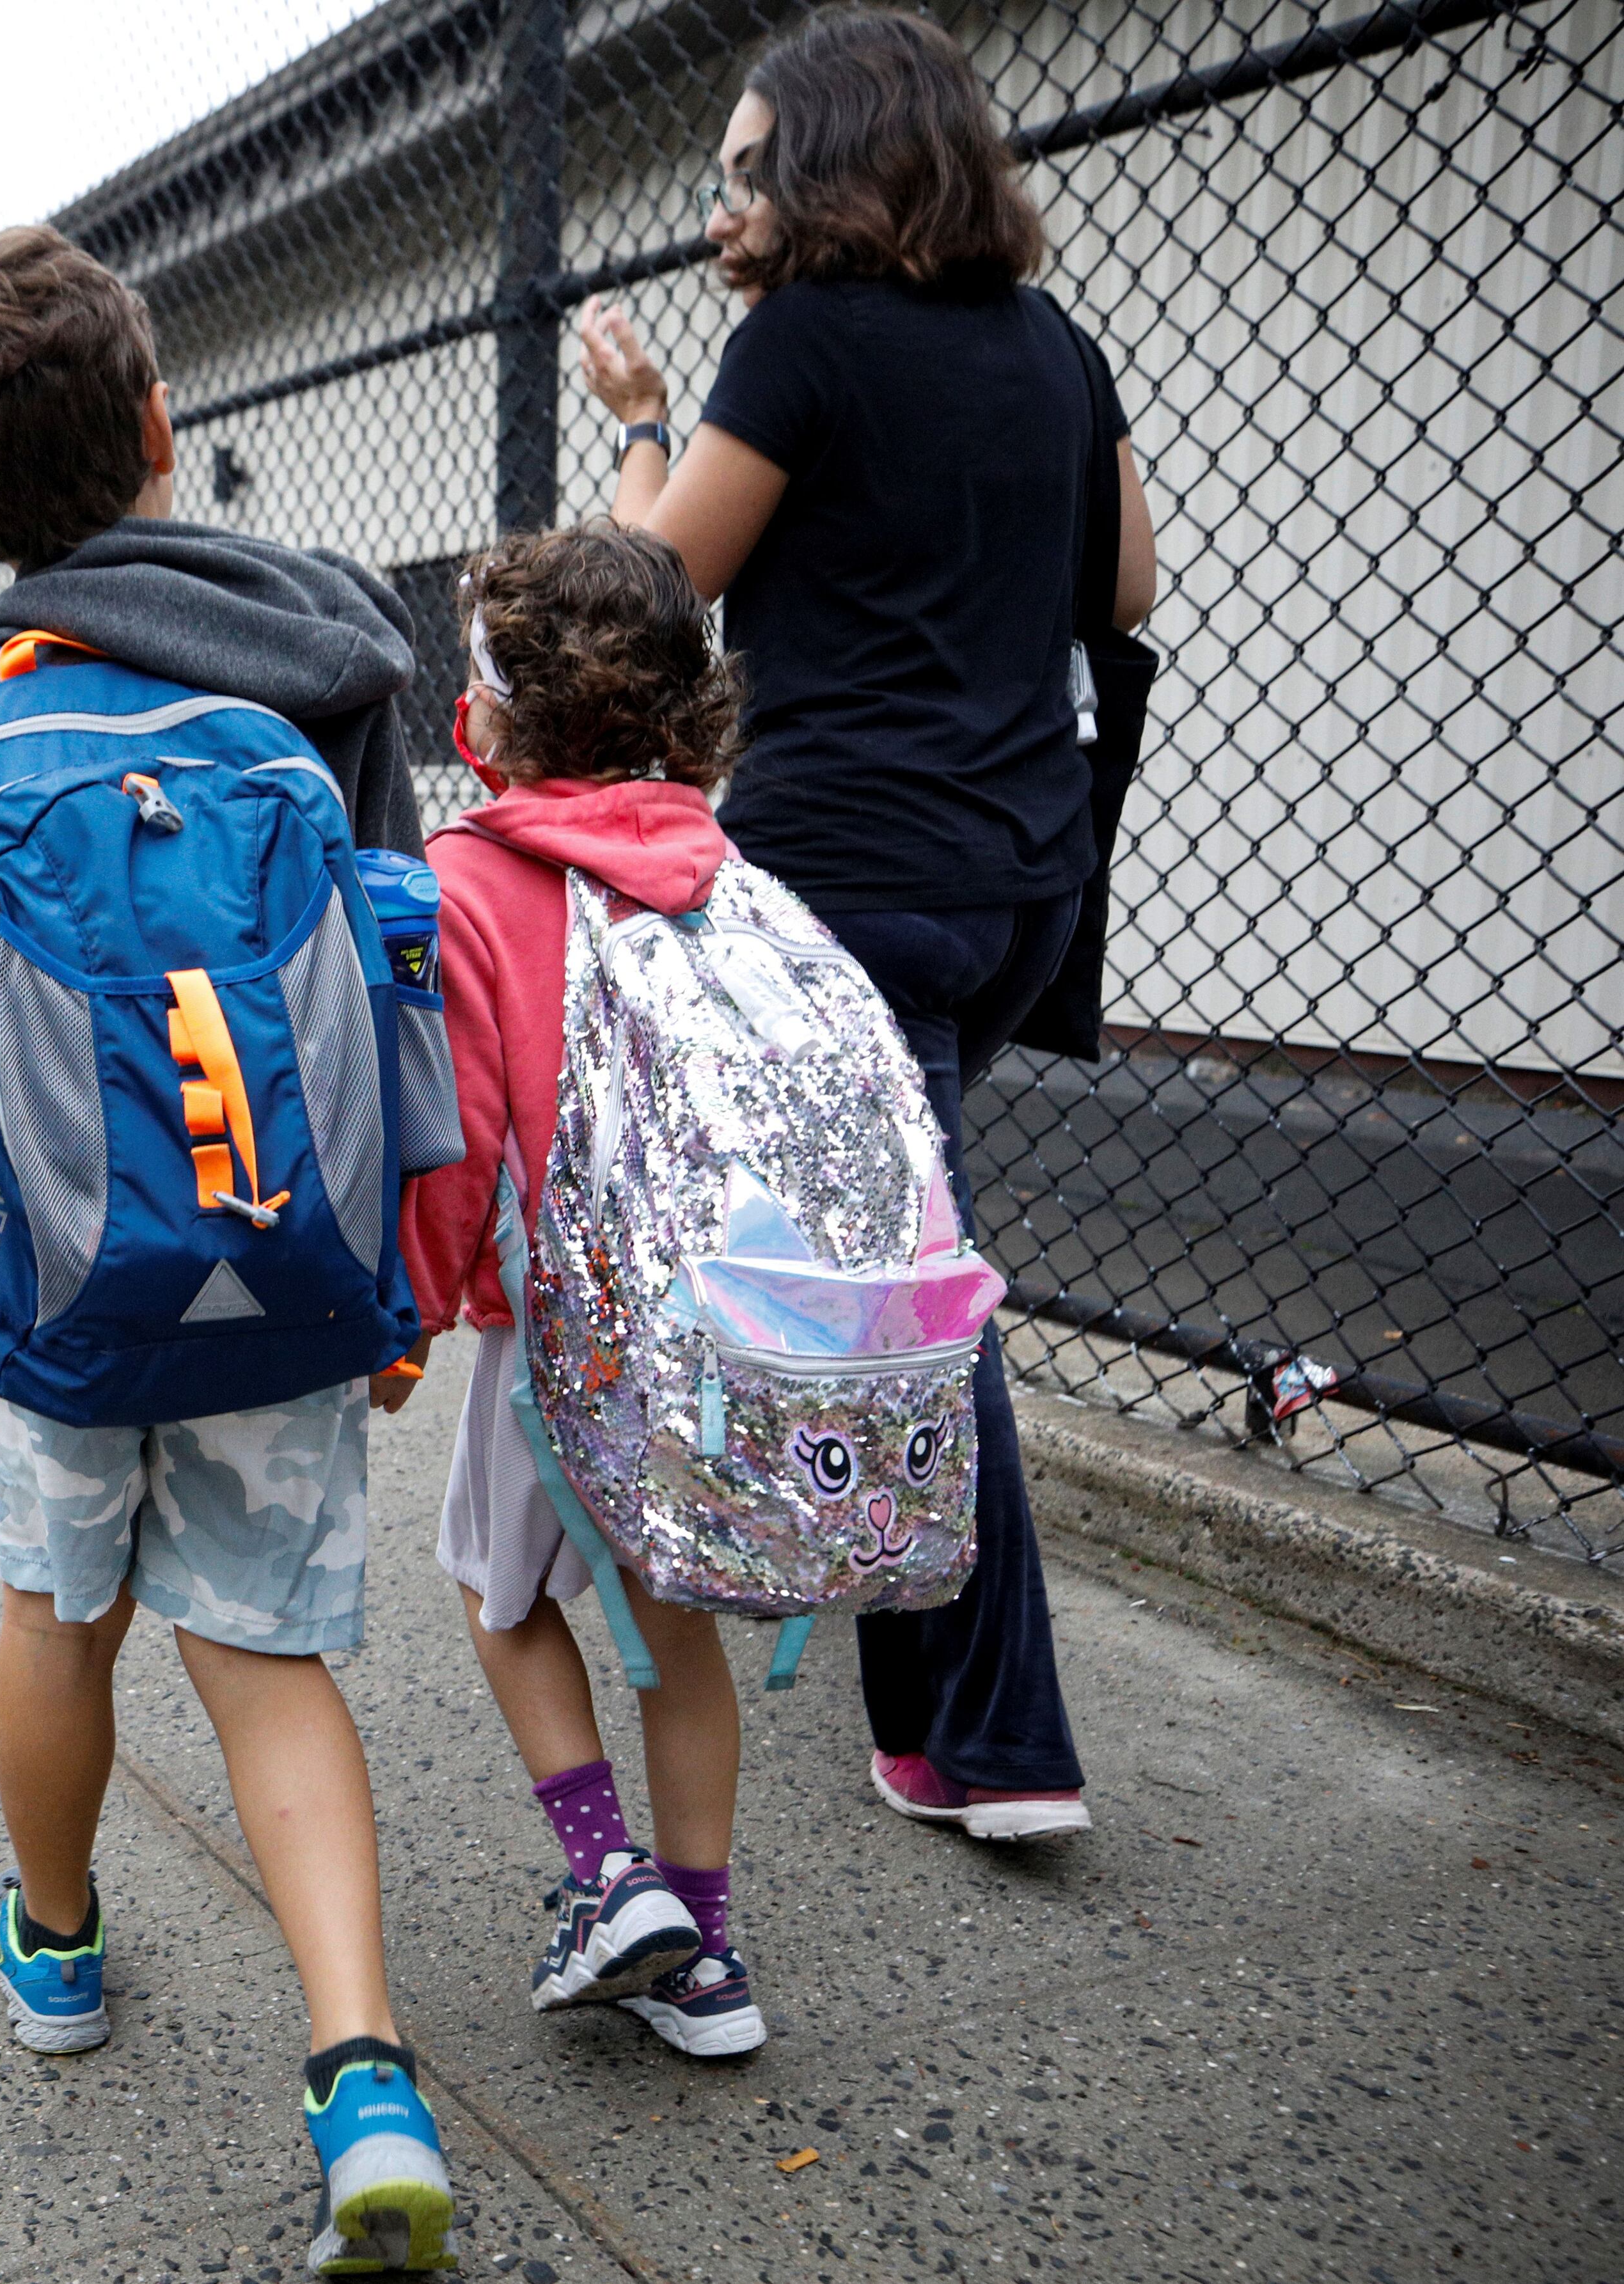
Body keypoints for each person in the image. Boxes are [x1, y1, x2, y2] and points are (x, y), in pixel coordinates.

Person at [0, 223, 453, 2277]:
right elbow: (399, 966)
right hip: (290, 1256)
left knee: (56, 1609)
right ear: (165, 425)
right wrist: (394, 1257)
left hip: (57, 1276)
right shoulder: (333, 663)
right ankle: (359, 2068)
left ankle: (58, 1946)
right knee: (265, 1649)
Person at [571, 3, 1160, 1839]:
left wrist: (650, 423)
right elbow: (1126, 584)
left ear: (828, 167)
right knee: (896, 1254)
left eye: (747, 167)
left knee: (928, 1305)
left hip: (859, 888)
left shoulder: (802, 343)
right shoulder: (1055, 344)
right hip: (1024, 885)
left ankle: (1002, 1743)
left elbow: (654, 592)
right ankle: (917, 1703)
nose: (724, 199)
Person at [382, 522, 767, 2058]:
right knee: (676, 1627)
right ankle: (711, 1956)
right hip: (721, 1319)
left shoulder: (469, 872)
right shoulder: (720, 860)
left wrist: (409, 1312)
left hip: (564, 1330)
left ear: (487, 715)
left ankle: (612, 1882)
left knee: (500, 1588)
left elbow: (457, 1136)